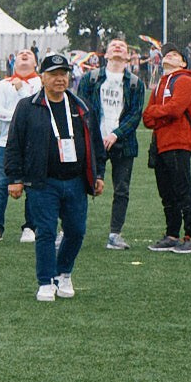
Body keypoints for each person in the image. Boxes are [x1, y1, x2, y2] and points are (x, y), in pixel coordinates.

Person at [4, 52, 102, 300]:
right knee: (46, 231)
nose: (60, 79)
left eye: (64, 74)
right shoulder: (27, 106)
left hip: (76, 180)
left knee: (76, 231)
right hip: (42, 181)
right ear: (42, 77)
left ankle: (64, 273)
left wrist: (98, 174)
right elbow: (14, 144)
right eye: (54, 75)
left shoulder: (81, 106)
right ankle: (45, 281)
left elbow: (95, 143)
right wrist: (15, 179)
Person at [74, 39, 147, 251]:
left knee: (121, 189)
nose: (117, 47)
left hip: (123, 144)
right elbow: (82, 109)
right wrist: (95, 135)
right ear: (105, 54)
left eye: (122, 46)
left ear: (128, 56)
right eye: (113, 45)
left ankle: (115, 234)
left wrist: (115, 134)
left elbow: (135, 115)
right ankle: (68, 230)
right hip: (94, 141)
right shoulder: (91, 78)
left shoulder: (135, 83)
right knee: (81, 186)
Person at [142, 46, 191, 254]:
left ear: (183, 63)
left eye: (175, 54)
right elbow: (147, 118)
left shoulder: (185, 80)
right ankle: (172, 235)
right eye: (167, 53)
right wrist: (159, 114)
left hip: (178, 142)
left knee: (183, 190)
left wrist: (158, 113)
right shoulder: (160, 83)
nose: (169, 55)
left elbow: (176, 109)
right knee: (167, 193)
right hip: (160, 144)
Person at [0, 50, 40, 242]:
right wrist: (19, 118)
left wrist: (21, 90)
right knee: (1, 185)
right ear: (13, 61)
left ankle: (30, 227)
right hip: (5, 143)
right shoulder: (3, 84)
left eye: (29, 53)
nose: (24, 54)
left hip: (33, 145)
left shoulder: (40, 83)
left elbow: (38, 109)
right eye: (20, 53)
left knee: (33, 187)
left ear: (36, 62)